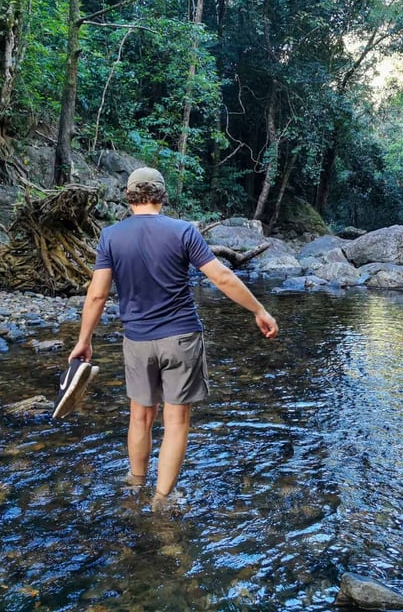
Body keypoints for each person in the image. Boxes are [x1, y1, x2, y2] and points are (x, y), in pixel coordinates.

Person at [68, 167, 278, 506]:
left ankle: (135, 486)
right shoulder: (183, 231)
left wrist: (84, 339)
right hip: (181, 337)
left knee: (140, 415)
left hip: (136, 340)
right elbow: (221, 278)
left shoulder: (111, 236)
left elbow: (96, 295)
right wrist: (259, 310)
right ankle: (162, 499)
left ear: (129, 195)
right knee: (176, 420)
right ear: (163, 195)